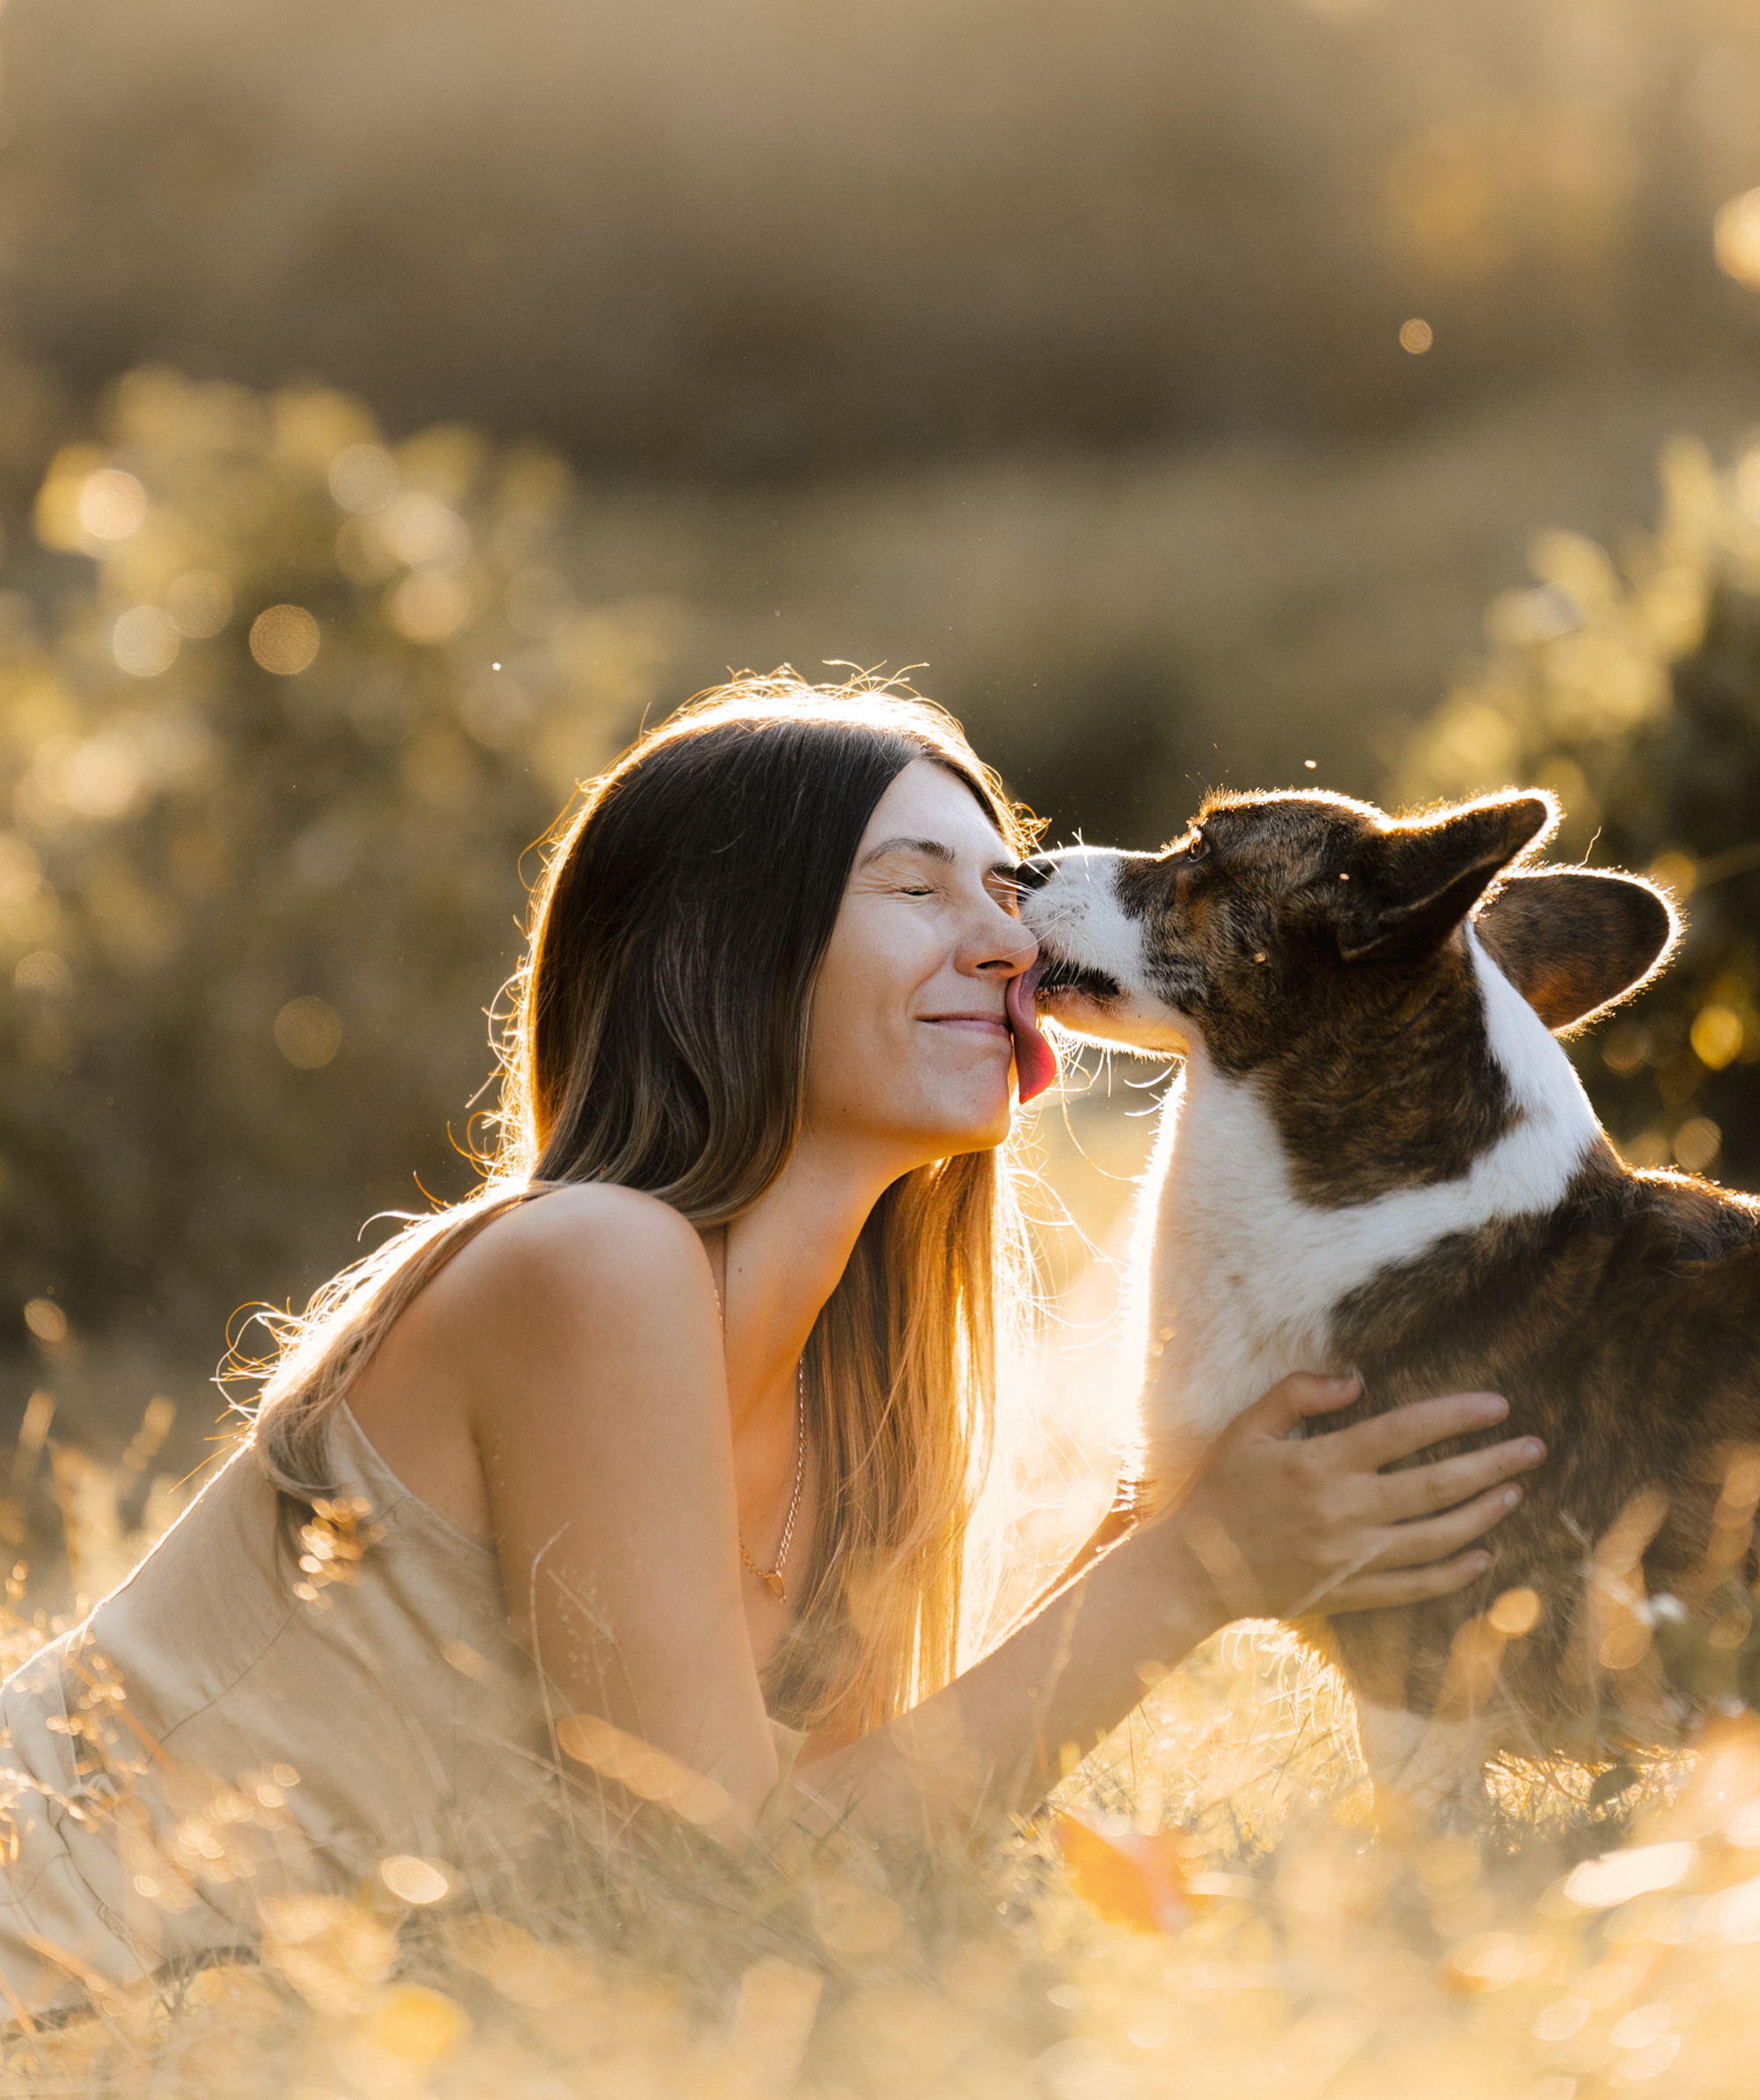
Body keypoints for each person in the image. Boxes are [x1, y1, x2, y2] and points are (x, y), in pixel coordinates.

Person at [0, 677, 1541, 2018]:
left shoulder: (859, 1420)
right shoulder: (591, 1261)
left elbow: (831, 1886)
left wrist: (1177, 1529)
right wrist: (1192, 1569)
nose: (1008, 941)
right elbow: (706, 1875)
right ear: (727, 946)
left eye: (1004, 890)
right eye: (917, 889)